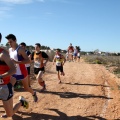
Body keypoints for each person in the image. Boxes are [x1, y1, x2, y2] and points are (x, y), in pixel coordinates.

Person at [0, 33, 29, 118]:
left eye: (11, 41)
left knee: (10, 114)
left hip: (4, 86)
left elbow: (13, 70)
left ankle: (21, 102)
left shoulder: (3, 54)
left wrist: (1, 76)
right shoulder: (9, 50)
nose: (9, 43)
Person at [5, 34, 38, 102]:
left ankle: (33, 93)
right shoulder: (10, 49)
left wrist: (16, 62)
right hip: (13, 72)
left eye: (11, 42)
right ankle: (9, 106)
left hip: (22, 72)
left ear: (15, 40)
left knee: (26, 87)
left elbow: (28, 60)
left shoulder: (20, 49)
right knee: (9, 88)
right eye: (9, 42)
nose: (10, 44)